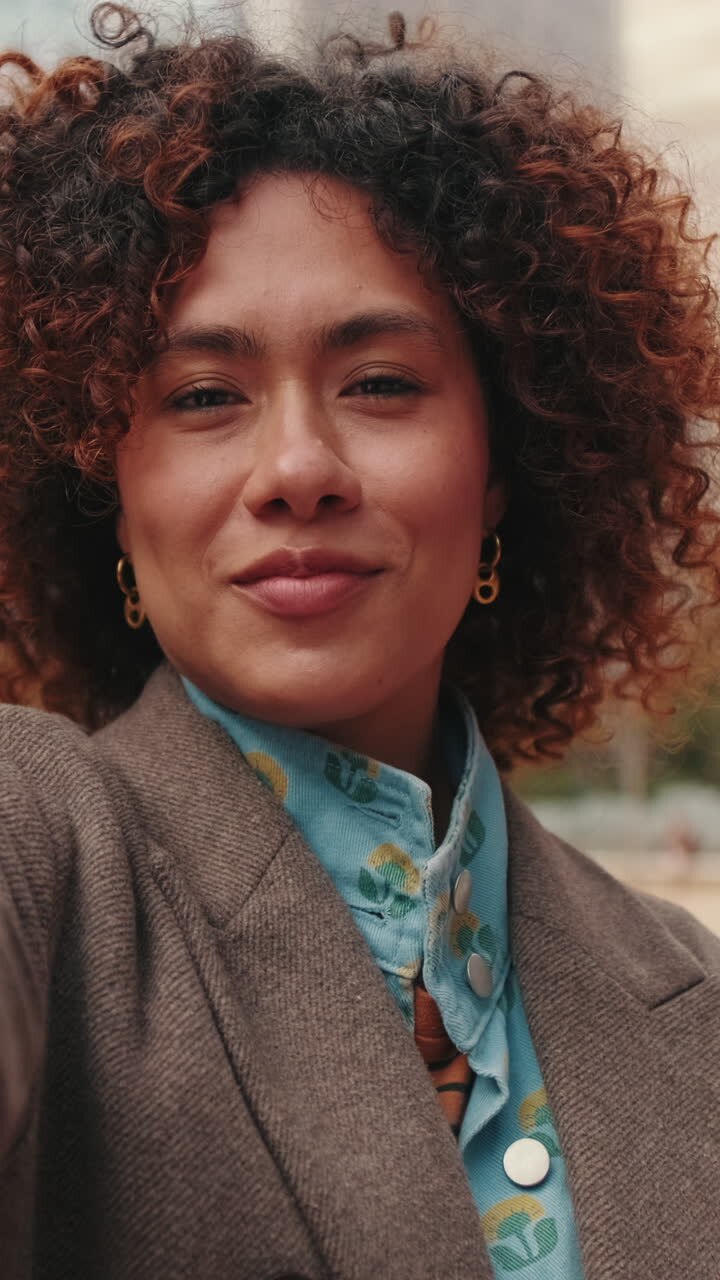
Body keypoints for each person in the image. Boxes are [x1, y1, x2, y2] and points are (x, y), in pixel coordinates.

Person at [1, 6, 719, 1277]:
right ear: (101, 484)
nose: (297, 469)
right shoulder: (40, 842)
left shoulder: (694, 993)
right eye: (204, 395)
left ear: (503, 463)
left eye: (381, 380)